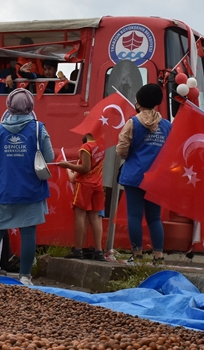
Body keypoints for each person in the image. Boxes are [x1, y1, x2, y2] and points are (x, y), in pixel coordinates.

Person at [0, 88, 54, 286]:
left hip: (3, 189)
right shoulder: (38, 128)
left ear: (9, 106)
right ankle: (25, 277)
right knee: (28, 232)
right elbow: (50, 157)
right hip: (30, 190)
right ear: (30, 105)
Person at [117, 84, 172, 264]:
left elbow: (122, 150)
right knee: (154, 217)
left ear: (139, 100)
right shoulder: (167, 126)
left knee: (134, 215)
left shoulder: (133, 122)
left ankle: (137, 255)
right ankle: (158, 256)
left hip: (134, 175)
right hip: (156, 178)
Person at [55, 132, 105, 259]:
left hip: (84, 185)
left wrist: (67, 166)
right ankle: (99, 251)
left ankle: (78, 250)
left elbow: (85, 168)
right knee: (95, 217)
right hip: (98, 184)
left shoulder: (85, 148)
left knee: (80, 215)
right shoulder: (101, 146)